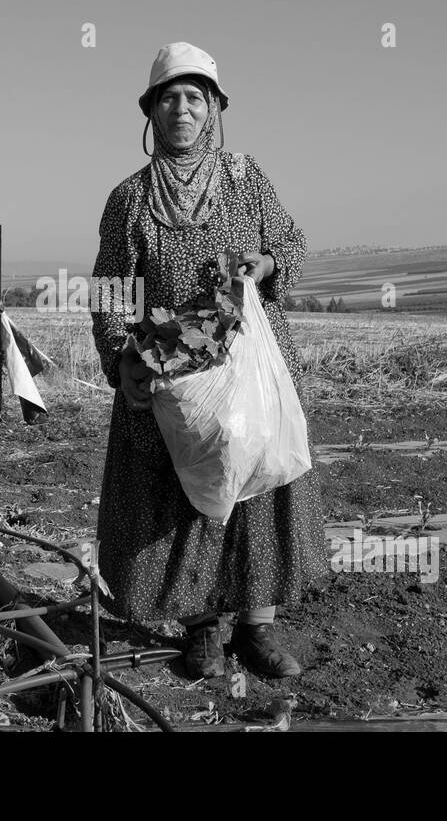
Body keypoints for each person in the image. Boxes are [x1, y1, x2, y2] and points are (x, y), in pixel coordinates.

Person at [90, 41, 330, 680]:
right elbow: (114, 287)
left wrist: (270, 264)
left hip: (251, 363)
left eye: (195, 97)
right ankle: (199, 628)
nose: (183, 108)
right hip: (175, 369)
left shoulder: (246, 176)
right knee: (182, 491)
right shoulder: (130, 199)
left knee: (253, 473)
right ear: (151, 111)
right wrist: (122, 360)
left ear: (216, 107)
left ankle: (257, 627)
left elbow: (290, 240)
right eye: (169, 97)